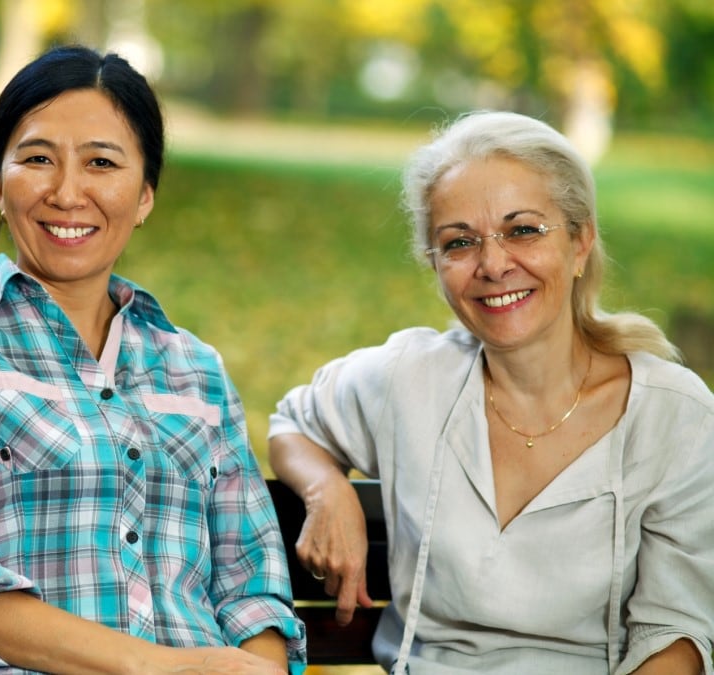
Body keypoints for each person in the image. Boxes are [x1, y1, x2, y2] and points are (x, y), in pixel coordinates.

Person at [0, 45, 306, 674]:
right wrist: (160, 669)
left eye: (101, 163)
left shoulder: (196, 369)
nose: (67, 192)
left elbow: (254, 584)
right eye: (37, 159)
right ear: (0, 183)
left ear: (144, 197)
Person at [268, 110, 714, 674]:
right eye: (459, 243)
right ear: (435, 265)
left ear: (580, 243)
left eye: (523, 230)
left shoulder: (676, 416)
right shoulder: (410, 377)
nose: (494, 264)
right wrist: (326, 491)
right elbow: (292, 425)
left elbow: (673, 638)